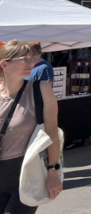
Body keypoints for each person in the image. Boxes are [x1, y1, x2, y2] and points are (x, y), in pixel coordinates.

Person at [0, 40, 62, 212]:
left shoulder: (40, 89)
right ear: (5, 65)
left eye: (32, 58)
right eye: (24, 59)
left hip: (26, 174)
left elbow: (52, 133)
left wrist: (53, 172)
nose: (31, 63)